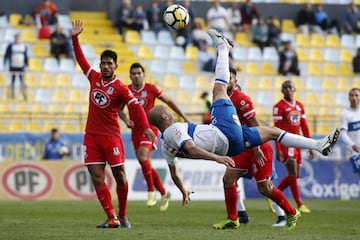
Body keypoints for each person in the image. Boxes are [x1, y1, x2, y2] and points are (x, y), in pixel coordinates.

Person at [147, 29, 340, 230]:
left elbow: (175, 172)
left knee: (269, 138)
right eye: (168, 111)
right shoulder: (175, 129)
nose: (170, 112)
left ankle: (319, 145)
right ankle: (223, 46)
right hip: (225, 136)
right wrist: (217, 159)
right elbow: (192, 148)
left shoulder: (165, 144)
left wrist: (183, 190)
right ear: (165, 117)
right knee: (218, 89)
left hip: (232, 145)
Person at [71, 19, 155, 228]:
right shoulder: (94, 78)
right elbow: (81, 60)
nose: (106, 66)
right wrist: (74, 38)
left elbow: (135, 108)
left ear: (116, 66)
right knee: (97, 177)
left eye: (110, 63)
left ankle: (123, 214)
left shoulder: (120, 88)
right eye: (103, 63)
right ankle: (112, 218)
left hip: (111, 137)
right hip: (91, 136)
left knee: (119, 176)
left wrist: (145, 126)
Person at [212, 67, 301, 230]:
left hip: (257, 146)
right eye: (224, 77)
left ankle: (291, 212)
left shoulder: (241, 99)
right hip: (240, 148)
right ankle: (233, 218)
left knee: (264, 188)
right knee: (228, 180)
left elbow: (254, 125)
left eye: (230, 78)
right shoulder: (218, 97)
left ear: (235, 81)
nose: (226, 80)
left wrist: (256, 148)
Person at [118, 62, 189, 210]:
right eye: (134, 74)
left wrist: (183, 116)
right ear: (130, 76)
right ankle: (164, 192)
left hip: (150, 129)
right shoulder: (127, 90)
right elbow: (120, 110)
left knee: (143, 157)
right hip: (135, 132)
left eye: (139, 73)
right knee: (145, 163)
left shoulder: (152, 89)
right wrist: (126, 120)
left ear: (143, 75)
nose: (136, 76)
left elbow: (168, 101)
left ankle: (151, 191)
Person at [273, 80, 313, 214]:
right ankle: (300, 204)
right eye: (285, 87)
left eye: (291, 87)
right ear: (282, 90)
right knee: (293, 173)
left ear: (295, 89)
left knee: (296, 175)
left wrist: (311, 146)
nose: (288, 89)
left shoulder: (300, 106)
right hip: (286, 142)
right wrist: (278, 148)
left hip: (298, 142)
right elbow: (276, 129)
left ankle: (273, 194)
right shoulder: (279, 107)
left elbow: (304, 126)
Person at [340, 88, 360, 178]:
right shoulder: (345, 114)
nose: (354, 98)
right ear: (348, 98)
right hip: (355, 152)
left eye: (356, 95)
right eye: (352, 95)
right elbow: (343, 133)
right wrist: (352, 145)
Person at [3, 33, 28, 101]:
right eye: (16, 38)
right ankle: (12, 95)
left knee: (22, 81)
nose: (17, 40)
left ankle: (24, 94)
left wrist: (27, 64)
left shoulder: (23, 46)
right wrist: (5, 63)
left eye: (18, 38)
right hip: (13, 66)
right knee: (12, 81)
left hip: (21, 66)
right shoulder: (11, 46)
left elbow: (25, 56)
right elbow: (6, 55)